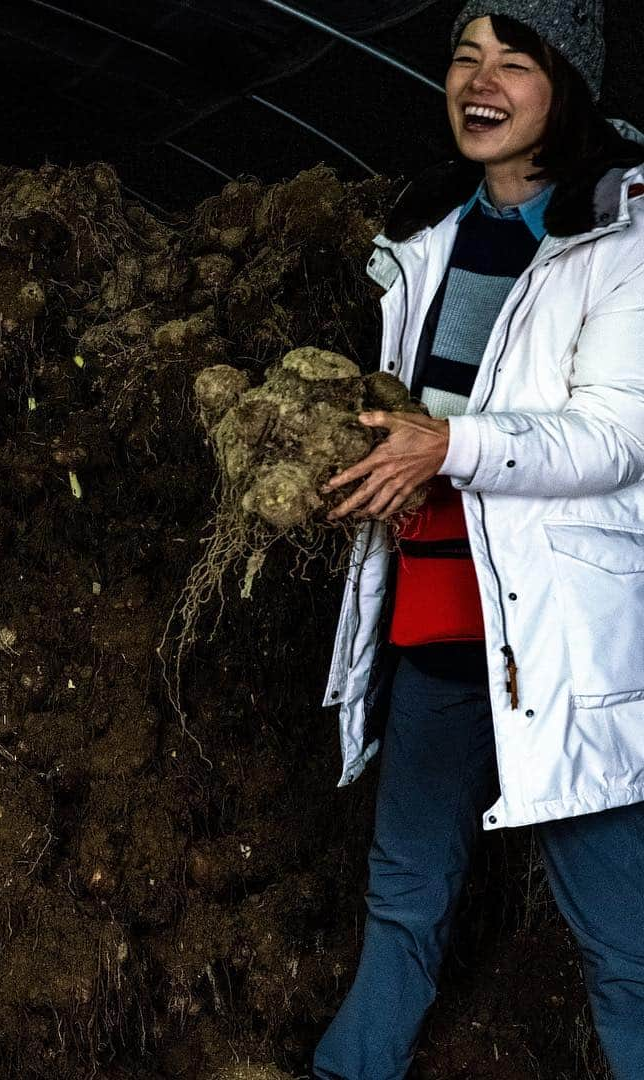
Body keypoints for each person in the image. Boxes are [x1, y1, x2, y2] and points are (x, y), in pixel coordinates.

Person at [313, 1, 644, 1077]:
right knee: (405, 891)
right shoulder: (429, 233)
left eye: (514, 59)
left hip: (555, 637)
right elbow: (416, 416)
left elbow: (613, 436)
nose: (480, 80)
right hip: (435, 614)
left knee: (620, 936)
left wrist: (440, 447)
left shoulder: (620, 235)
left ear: (568, 85)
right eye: (464, 57)